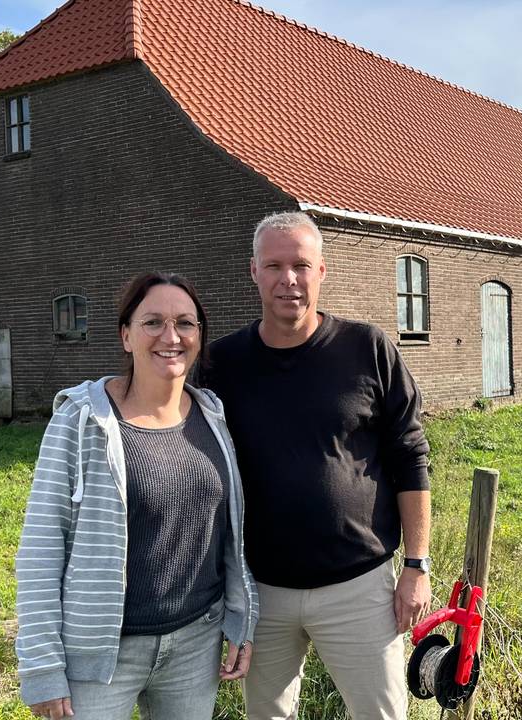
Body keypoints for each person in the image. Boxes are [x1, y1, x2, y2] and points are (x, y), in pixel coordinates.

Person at [202, 211, 432, 720]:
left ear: (321, 271)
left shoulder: (367, 349)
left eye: (301, 266)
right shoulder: (222, 365)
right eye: (274, 266)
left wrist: (416, 566)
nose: (288, 279)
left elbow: (410, 455)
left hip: (359, 586)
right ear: (254, 272)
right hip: (262, 590)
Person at [15, 272, 258, 720]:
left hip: (195, 643)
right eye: (153, 322)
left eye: (185, 323)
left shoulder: (212, 417)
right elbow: (41, 547)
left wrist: (241, 619)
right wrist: (42, 665)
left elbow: (229, 535)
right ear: (126, 335)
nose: (171, 336)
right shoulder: (82, 420)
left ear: (199, 336)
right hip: (100, 654)